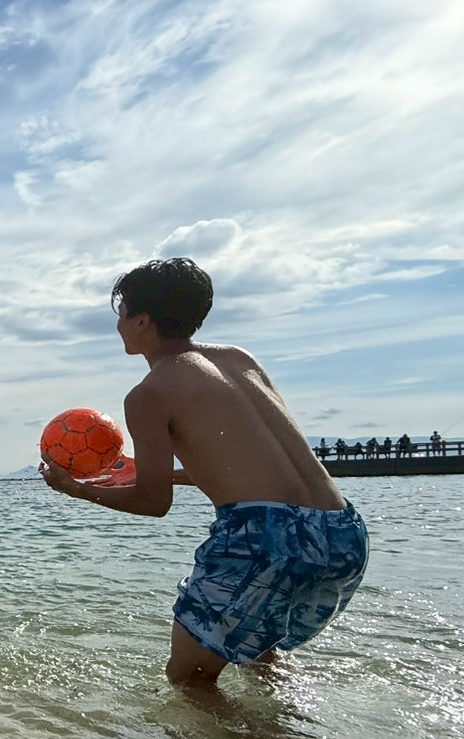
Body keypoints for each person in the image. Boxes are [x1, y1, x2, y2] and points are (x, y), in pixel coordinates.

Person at [40, 258, 367, 692]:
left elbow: (153, 503)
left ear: (142, 321)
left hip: (265, 537)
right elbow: (251, 466)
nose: (118, 325)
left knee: (189, 677)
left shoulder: (150, 393)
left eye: (121, 314)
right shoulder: (239, 359)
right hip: (342, 531)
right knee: (258, 651)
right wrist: (163, 473)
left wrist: (74, 489)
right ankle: (290, 732)